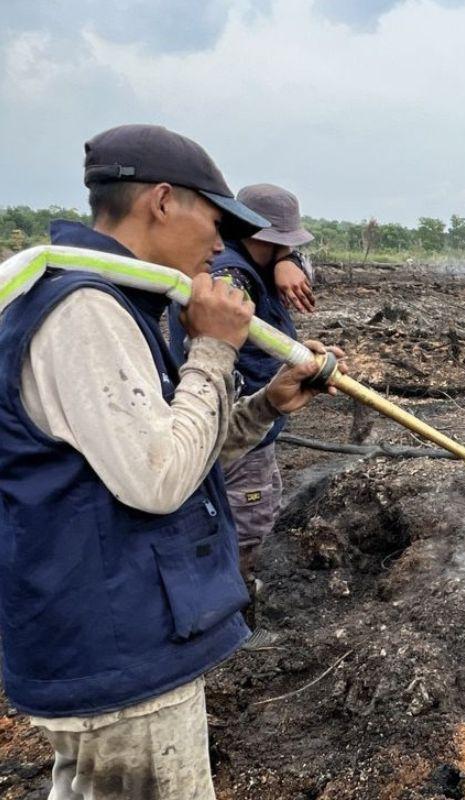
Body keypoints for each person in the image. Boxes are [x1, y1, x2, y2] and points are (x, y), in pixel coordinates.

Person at [0, 123, 340, 799]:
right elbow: (158, 480)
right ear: (162, 201)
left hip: (119, 636)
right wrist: (214, 350)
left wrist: (264, 406)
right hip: (118, 647)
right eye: (214, 222)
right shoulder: (84, 312)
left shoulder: (111, 300)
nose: (218, 245)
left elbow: (173, 450)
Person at [168, 183, 317, 646]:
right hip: (236, 427)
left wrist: (287, 259)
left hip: (248, 423)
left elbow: (300, 278)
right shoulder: (231, 282)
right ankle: (236, 632)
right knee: (246, 530)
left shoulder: (252, 265)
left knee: (251, 516)